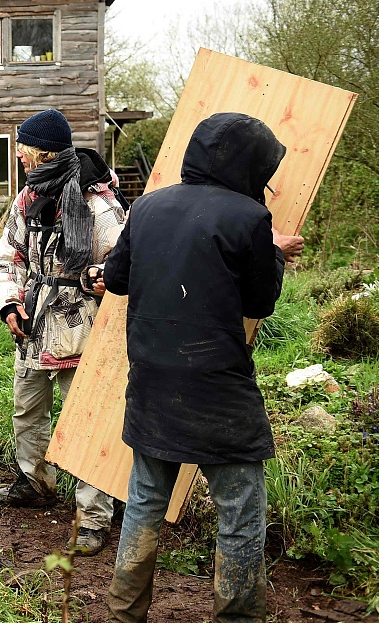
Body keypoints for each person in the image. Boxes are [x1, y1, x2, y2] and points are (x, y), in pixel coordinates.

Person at [103, 113, 303, 623]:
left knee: (144, 501)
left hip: (151, 382)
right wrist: (273, 251)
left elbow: (117, 279)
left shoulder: (146, 207)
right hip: (218, 390)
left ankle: (125, 612)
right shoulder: (250, 218)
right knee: (239, 513)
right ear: (250, 165)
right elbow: (260, 302)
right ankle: (237, 617)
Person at [0, 109, 122, 557]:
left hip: (81, 324)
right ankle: (35, 483)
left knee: (84, 421)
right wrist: (10, 302)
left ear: (42, 152)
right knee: (27, 409)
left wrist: (98, 278)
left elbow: (122, 261)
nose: (18, 155)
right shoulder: (28, 198)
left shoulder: (97, 203)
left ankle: (93, 516)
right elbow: (9, 256)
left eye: (22, 148)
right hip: (33, 321)